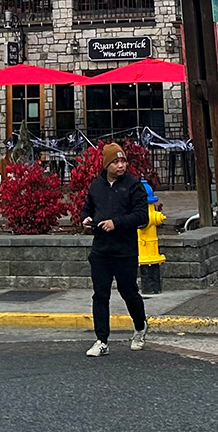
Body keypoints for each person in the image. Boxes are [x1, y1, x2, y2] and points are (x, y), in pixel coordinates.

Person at [79, 142, 147, 357]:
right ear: (106, 164)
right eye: (116, 162)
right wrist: (85, 219)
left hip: (124, 249)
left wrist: (115, 223)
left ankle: (140, 326)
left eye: (123, 161)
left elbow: (141, 216)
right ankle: (102, 340)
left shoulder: (133, 185)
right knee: (100, 295)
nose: (121, 165)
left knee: (129, 292)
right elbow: (86, 208)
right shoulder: (96, 186)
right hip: (101, 249)